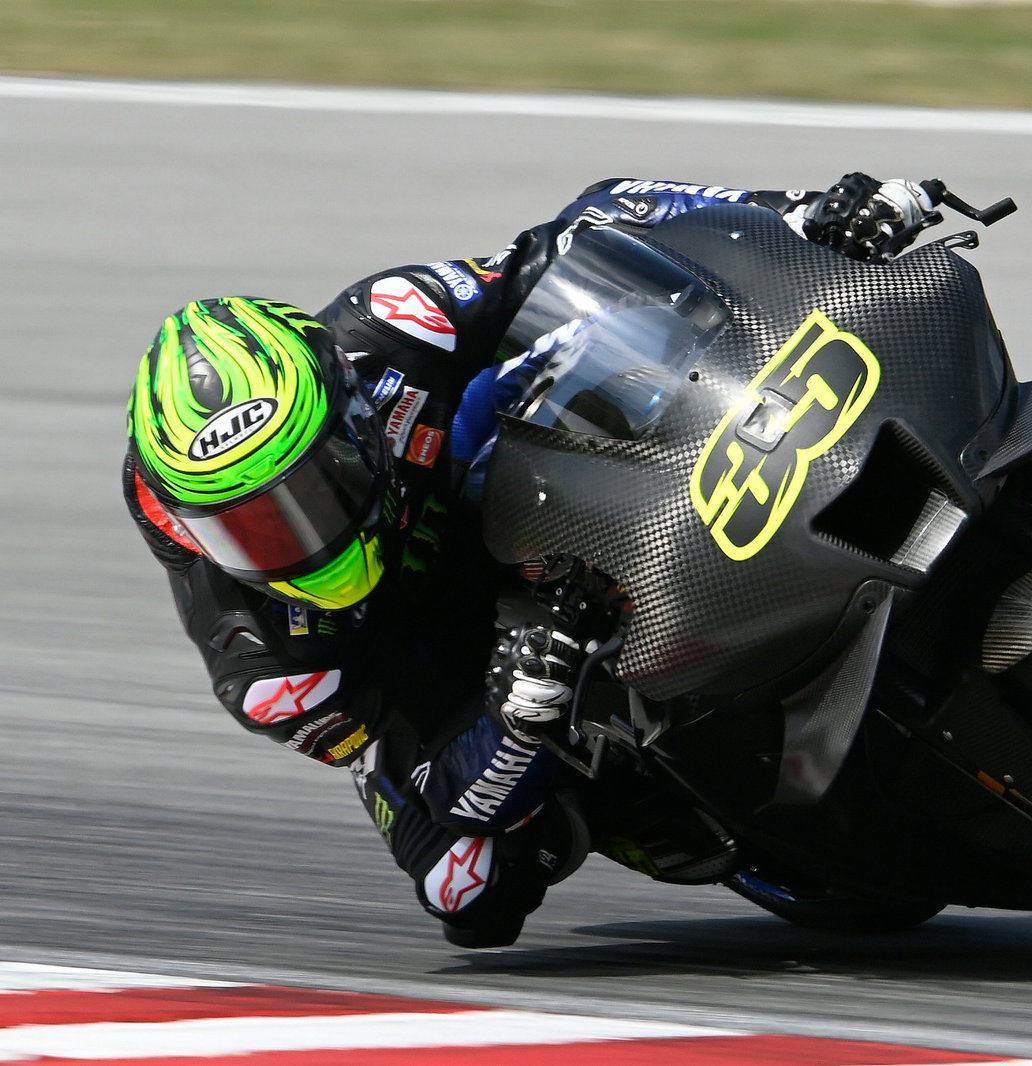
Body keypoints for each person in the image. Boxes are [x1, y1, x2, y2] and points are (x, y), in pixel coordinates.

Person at [123, 173, 940, 948]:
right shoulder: (270, 670)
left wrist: (797, 218)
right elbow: (427, 774)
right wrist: (512, 721)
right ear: (191, 531)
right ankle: (637, 778)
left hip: (514, 482)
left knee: (627, 314)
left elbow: (581, 230)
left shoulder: (392, 323)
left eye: (312, 490)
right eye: (252, 530)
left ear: (350, 419)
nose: (304, 538)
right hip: (441, 663)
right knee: (467, 891)